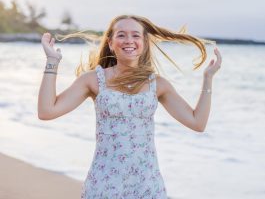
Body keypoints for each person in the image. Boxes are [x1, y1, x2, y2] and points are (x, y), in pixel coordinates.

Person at [38, 15, 222, 199]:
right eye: (121, 35)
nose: (129, 41)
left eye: (135, 35)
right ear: (110, 43)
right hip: (104, 185)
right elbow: (47, 111)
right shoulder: (93, 80)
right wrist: (52, 60)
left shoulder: (158, 85)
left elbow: (198, 123)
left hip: (147, 186)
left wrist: (208, 79)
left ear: (144, 43)